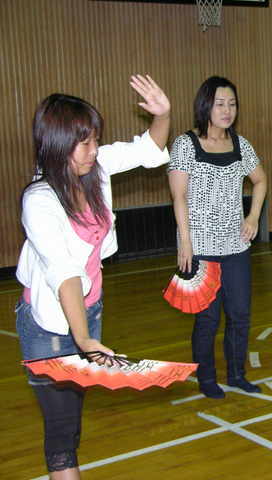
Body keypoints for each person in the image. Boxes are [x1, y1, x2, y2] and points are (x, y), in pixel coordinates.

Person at [15, 75, 171, 479]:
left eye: (96, 140)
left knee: (72, 424)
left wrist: (163, 115)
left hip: (90, 311)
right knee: (63, 433)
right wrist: (82, 339)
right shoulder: (40, 200)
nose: (94, 151)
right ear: (56, 144)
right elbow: (65, 274)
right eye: (84, 143)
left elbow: (149, 149)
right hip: (50, 325)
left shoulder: (95, 170)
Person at [168, 76, 267, 399]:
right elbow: (179, 196)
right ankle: (206, 378)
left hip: (236, 246)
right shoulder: (185, 144)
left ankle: (237, 374)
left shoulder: (241, 145)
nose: (227, 111)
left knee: (240, 315)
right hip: (201, 248)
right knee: (208, 319)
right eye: (220, 104)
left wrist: (252, 216)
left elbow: (261, 180)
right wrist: (186, 241)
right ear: (205, 106)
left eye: (232, 104)